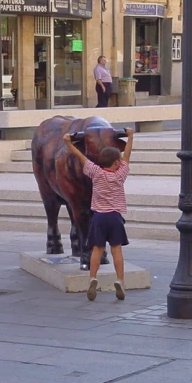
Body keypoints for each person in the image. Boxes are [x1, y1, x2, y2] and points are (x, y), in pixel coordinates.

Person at [63, 128, 135, 301]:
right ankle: (120, 280)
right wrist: (131, 136)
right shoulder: (120, 175)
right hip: (115, 217)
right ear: (117, 162)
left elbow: (81, 157)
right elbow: (127, 156)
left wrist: (67, 142)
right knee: (116, 250)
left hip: (99, 217)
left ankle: (92, 278)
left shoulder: (96, 173)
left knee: (96, 249)